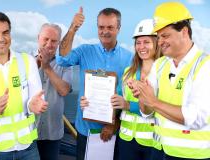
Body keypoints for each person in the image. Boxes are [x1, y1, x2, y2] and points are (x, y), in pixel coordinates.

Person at [128, 2, 210, 160]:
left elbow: (197, 118)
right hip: (159, 151)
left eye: (165, 36)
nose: (160, 42)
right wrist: (143, 96)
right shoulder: (160, 65)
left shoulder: (205, 65)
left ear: (184, 32)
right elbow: (147, 113)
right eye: (158, 37)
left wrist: (153, 101)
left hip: (193, 156)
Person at [56, 7, 133, 160]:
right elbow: (62, 59)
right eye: (101, 27)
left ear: (119, 28)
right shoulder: (85, 51)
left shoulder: (129, 58)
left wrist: (114, 123)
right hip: (86, 131)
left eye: (110, 27)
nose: (105, 31)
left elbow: (129, 95)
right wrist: (73, 28)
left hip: (114, 131)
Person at [0, 11, 48, 160]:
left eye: (5, 33)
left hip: (28, 148)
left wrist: (34, 105)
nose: (1, 38)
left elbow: (35, 98)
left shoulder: (27, 61)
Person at [114, 19, 163, 160]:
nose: (142, 47)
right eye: (138, 42)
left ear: (157, 43)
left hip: (152, 142)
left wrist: (129, 105)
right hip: (126, 139)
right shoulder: (127, 72)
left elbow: (164, 108)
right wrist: (92, 102)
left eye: (146, 42)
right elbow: (118, 100)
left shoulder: (165, 72)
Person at [35, 23, 72, 160]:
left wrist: (47, 68)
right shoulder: (26, 62)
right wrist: (37, 64)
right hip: (28, 132)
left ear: (59, 43)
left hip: (53, 134)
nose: (49, 44)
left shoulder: (65, 65)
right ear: (38, 38)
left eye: (54, 41)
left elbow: (64, 90)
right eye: (45, 39)